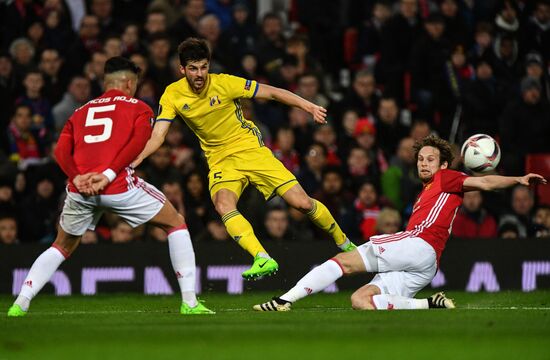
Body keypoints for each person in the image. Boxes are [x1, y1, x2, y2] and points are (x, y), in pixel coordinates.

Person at [132, 38, 356, 281]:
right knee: (223, 204)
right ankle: (262, 257)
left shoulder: (225, 83)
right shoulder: (172, 95)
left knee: (302, 203)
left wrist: (308, 106)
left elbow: (272, 92)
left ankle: (344, 243)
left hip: (251, 150)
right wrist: (136, 160)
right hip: (220, 160)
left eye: (204, 67)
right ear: (182, 69)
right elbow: (158, 135)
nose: (200, 74)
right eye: (193, 68)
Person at [7, 56, 213, 317]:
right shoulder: (140, 107)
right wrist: (107, 173)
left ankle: (20, 303)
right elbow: (138, 143)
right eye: (135, 84)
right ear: (128, 82)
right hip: (116, 186)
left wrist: (76, 176)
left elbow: (60, 150)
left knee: (61, 246)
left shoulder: (79, 112)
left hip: (80, 188)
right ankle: (190, 303)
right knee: (176, 223)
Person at [253, 135, 547, 311]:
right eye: (420, 159)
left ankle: (283, 300)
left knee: (344, 261)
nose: (423, 163)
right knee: (361, 300)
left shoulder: (448, 178)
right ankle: (427, 304)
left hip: (419, 244)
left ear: (444, 165)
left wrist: (517, 179)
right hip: (426, 266)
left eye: (430, 159)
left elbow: (484, 182)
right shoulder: (428, 191)